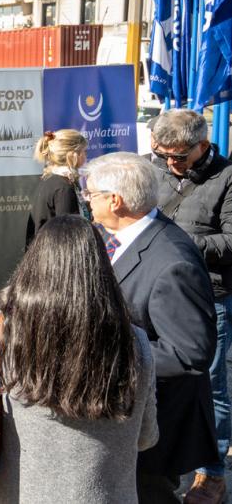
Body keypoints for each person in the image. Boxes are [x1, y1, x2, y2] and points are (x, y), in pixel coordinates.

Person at [0, 215, 158, 503]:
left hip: (20, 493)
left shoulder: (1, 329)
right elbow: (146, 437)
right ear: (100, 269)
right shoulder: (135, 342)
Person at [83, 152, 218, 503]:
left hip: (156, 427)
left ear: (116, 200)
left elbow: (189, 355)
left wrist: (104, 357)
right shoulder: (122, 237)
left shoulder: (172, 261)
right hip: (129, 416)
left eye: (91, 194)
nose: (86, 201)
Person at [150, 109, 232, 504]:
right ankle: (161, 463)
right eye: (162, 154)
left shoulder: (228, 177)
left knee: (210, 387)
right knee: (160, 380)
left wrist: (179, 242)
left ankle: (212, 474)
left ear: (203, 145)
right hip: (156, 294)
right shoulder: (158, 169)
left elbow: (231, 243)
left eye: (179, 157)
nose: (170, 163)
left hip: (209, 297)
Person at [25, 129, 89, 245]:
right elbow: (69, 234)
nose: (86, 156)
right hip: (56, 257)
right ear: (73, 154)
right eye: (84, 151)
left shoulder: (52, 179)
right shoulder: (63, 187)